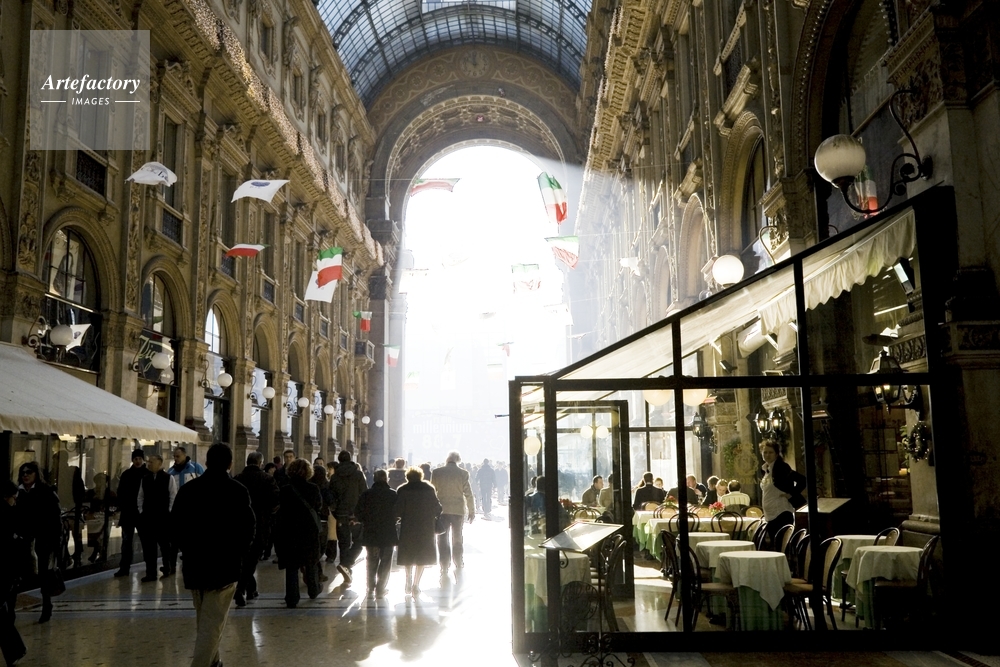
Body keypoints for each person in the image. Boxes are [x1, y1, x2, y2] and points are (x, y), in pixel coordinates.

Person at [170, 443, 255, 667]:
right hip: (224, 567)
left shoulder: (189, 490)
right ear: (230, 464)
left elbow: (175, 526)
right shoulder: (237, 491)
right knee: (212, 623)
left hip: (195, 565)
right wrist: (238, 553)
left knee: (205, 620)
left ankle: (214, 661)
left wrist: (187, 549)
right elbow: (248, 528)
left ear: (206, 462)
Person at [15, 462, 61, 623]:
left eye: (29, 472)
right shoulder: (19, 492)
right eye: (23, 473)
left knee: (43, 574)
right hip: (24, 539)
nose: (25, 475)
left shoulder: (46, 492)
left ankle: (46, 604)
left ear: (36, 474)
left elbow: (55, 518)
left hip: (43, 539)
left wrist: (55, 541)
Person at [273, 459, 323, 608]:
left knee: (292, 565)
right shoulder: (313, 488)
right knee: (311, 561)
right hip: (308, 530)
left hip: (290, 529)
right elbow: (318, 506)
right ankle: (313, 589)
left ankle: (292, 597)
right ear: (308, 472)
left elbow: (280, 508)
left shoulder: (285, 489)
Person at [233, 452, 279, 606]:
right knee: (253, 558)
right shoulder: (267, 479)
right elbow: (275, 501)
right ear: (260, 463)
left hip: (240, 523)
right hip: (261, 522)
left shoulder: (237, 478)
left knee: (245, 558)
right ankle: (241, 589)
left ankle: (251, 588)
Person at [394, 467, 441, 596]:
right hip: (425, 527)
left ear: (407, 477)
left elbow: (397, 510)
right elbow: (438, 508)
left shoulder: (402, 489)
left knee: (408, 554)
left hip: (408, 527)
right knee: (422, 556)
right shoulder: (429, 489)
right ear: (421, 476)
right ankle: (416, 584)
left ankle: (408, 578)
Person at [431, 451, 475, 579]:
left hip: (442, 510)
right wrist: (471, 510)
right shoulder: (463, 473)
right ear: (458, 460)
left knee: (442, 538)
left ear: (447, 459)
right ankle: (458, 561)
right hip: (458, 510)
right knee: (457, 537)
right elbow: (468, 494)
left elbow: (433, 492)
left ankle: (444, 564)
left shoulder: (437, 472)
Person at [356, 469, 398, 599]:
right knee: (386, 561)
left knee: (371, 560)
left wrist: (365, 519)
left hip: (371, 532)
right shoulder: (393, 494)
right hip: (388, 532)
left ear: (374, 479)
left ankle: (370, 586)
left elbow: (358, 513)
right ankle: (381, 588)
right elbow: (397, 512)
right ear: (386, 479)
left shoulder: (366, 494)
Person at [329, 450, 368, 585]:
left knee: (343, 543)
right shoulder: (358, 474)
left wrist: (335, 511)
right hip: (355, 514)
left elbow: (331, 496)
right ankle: (347, 564)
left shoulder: (335, 477)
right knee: (359, 541)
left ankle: (346, 569)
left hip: (340, 514)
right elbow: (364, 494)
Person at [759, 439, 806, 548]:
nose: (767, 455)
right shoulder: (766, 469)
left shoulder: (781, 467)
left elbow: (802, 480)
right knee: (774, 546)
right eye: (765, 452)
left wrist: (791, 493)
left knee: (781, 547)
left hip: (781, 513)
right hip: (770, 515)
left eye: (770, 452)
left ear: (776, 454)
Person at [1, 480, 27, 665]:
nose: (15, 501)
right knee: (3, 614)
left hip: (5, 571)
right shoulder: (8, 516)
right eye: (14, 498)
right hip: (5, 571)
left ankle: (15, 651)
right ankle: (14, 651)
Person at [115, 449, 149, 578]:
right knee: (126, 542)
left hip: (141, 514)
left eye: (139, 458)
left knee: (145, 541)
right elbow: (120, 492)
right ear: (132, 460)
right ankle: (124, 568)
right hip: (128, 513)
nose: (138, 461)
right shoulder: (126, 474)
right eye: (135, 459)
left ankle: (149, 568)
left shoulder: (147, 474)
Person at [137, 454, 172, 582]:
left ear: (160, 463)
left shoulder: (168, 478)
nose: (149, 464)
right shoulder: (145, 478)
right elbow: (140, 496)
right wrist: (141, 511)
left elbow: (173, 495)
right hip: (148, 518)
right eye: (149, 462)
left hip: (163, 517)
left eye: (152, 462)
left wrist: (169, 512)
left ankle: (167, 567)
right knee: (149, 547)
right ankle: (150, 572)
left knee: (164, 545)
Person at [168, 446, 204, 510]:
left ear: (184, 455)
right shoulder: (171, 472)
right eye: (174, 456)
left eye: (178, 456)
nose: (175, 458)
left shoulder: (196, 467)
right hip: (178, 504)